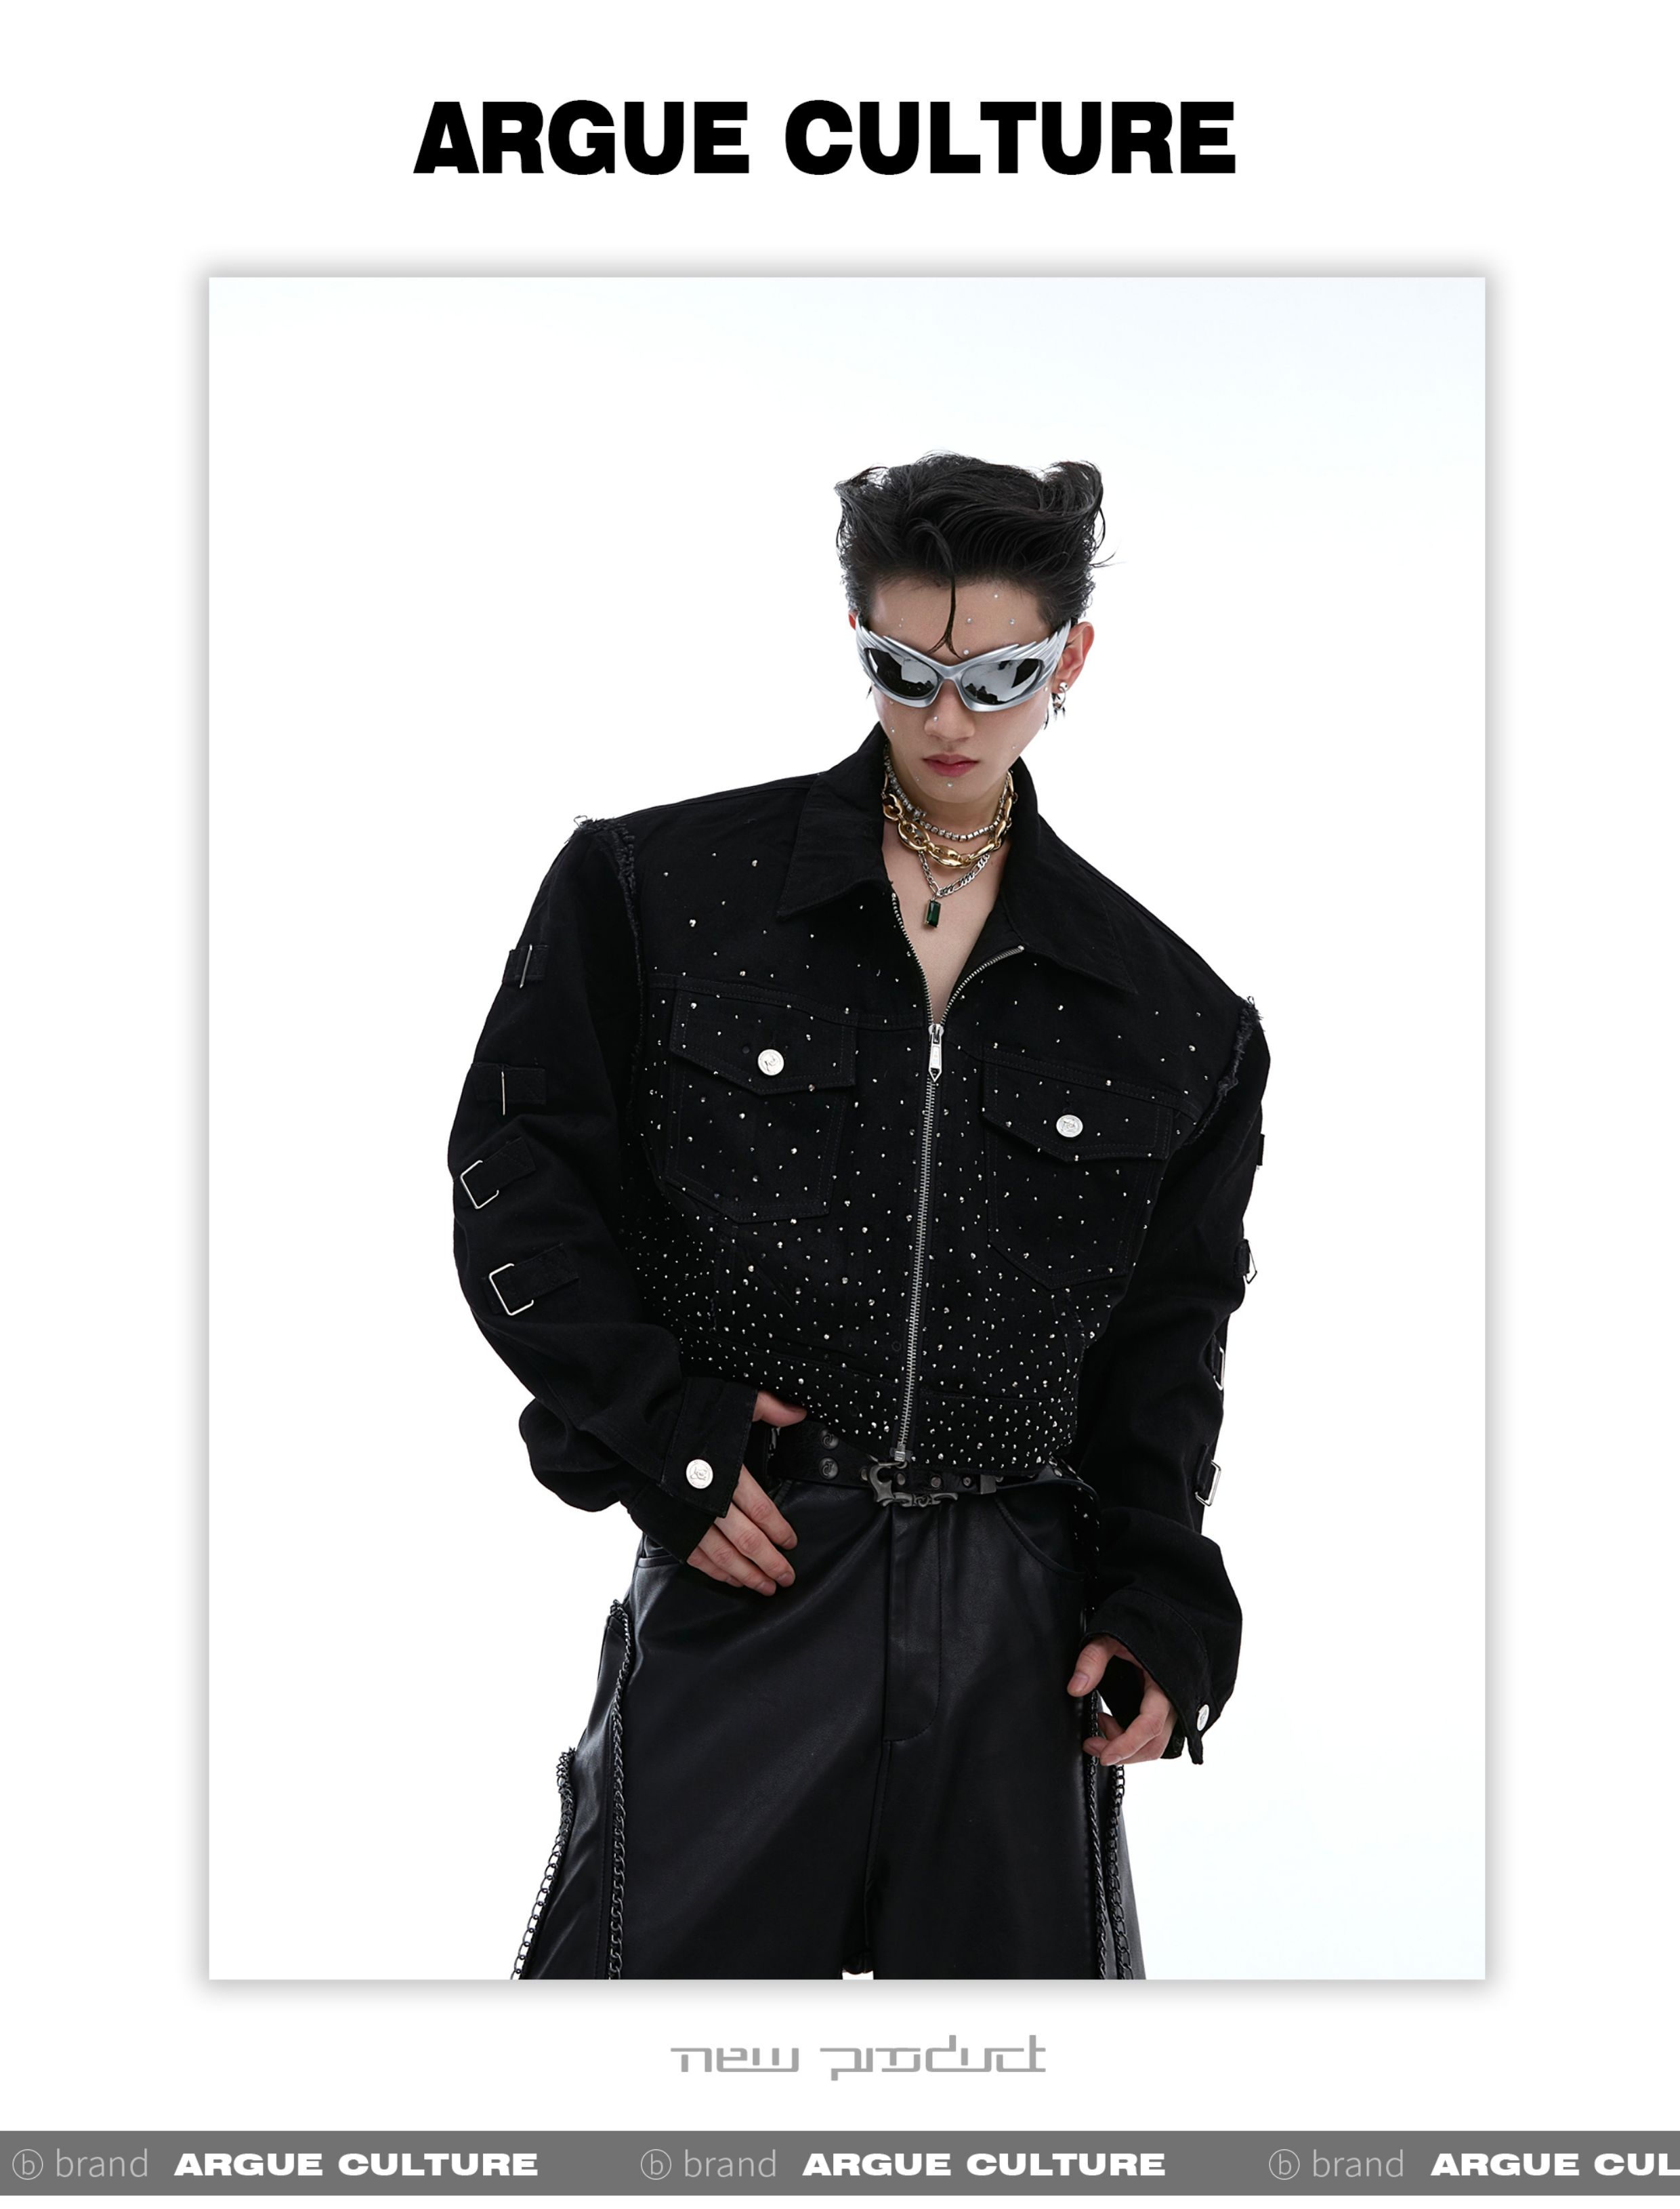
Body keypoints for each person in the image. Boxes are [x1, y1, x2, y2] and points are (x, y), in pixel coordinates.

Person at [448, 453, 1268, 1980]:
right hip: (755, 1562)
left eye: (999, 677)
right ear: (857, 638)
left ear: (1071, 659)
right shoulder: (657, 890)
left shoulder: (1175, 1017)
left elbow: (1170, 1345)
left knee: (1021, 2088)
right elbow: (520, 1181)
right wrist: (660, 1431)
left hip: (1022, 1626)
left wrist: (1157, 1600)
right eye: (905, 669)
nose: (949, 717)